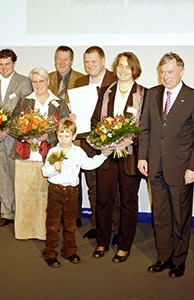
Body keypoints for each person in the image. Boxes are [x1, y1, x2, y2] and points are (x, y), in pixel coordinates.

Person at [138, 52, 194, 278]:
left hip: (182, 169)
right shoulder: (152, 94)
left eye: (170, 72)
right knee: (161, 215)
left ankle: (178, 261)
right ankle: (163, 257)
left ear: (181, 71)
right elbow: (145, 129)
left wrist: (193, 167)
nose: (166, 76)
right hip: (154, 166)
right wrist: (142, 157)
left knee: (180, 217)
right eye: (162, 72)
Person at [91, 52, 147, 262]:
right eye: (120, 65)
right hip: (106, 154)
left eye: (127, 66)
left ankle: (124, 245)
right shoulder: (106, 92)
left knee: (128, 202)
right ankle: (103, 241)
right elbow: (96, 120)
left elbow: (145, 126)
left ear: (135, 69)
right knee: (104, 200)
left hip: (130, 156)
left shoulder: (144, 94)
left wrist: (128, 139)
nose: (123, 70)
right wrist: (104, 139)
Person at [41, 118, 113, 268]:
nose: (63, 139)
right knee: (53, 224)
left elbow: (89, 165)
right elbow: (45, 172)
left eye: (67, 136)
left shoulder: (78, 152)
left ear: (74, 136)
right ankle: (50, 252)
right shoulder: (54, 151)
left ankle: (69, 250)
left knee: (70, 223)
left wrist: (103, 155)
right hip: (55, 190)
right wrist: (54, 167)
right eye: (60, 135)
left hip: (72, 192)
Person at [10, 67, 69, 240]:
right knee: (23, 194)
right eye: (34, 81)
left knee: (45, 197)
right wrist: (24, 135)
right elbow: (13, 124)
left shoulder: (59, 102)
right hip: (25, 154)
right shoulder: (24, 100)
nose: (38, 85)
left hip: (48, 155)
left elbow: (64, 127)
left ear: (48, 82)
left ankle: (44, 232)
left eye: (41, 81)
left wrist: (49, 135)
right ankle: (24, 231)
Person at [74, 46, 118, 240]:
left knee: (111, 188)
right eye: (87, 62)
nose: (90, 65)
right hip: (88, 142)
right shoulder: (79, 82)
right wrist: (73, 116)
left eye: (93, 61)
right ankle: (96, 226)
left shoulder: (115, 80)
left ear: (103, 61)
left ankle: (115, 229)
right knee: (93, 186)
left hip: (109, 143)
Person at [0, 49, 32, 228]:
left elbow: (26, 111)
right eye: (1, 64)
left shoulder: (23, 82)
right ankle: (6, 213)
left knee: (17, 176)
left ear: (14, 63)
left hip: (15, 138)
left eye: (7, 63)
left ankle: (20, 213)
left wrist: (8, 130)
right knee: (2, 176)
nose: (4, 67)